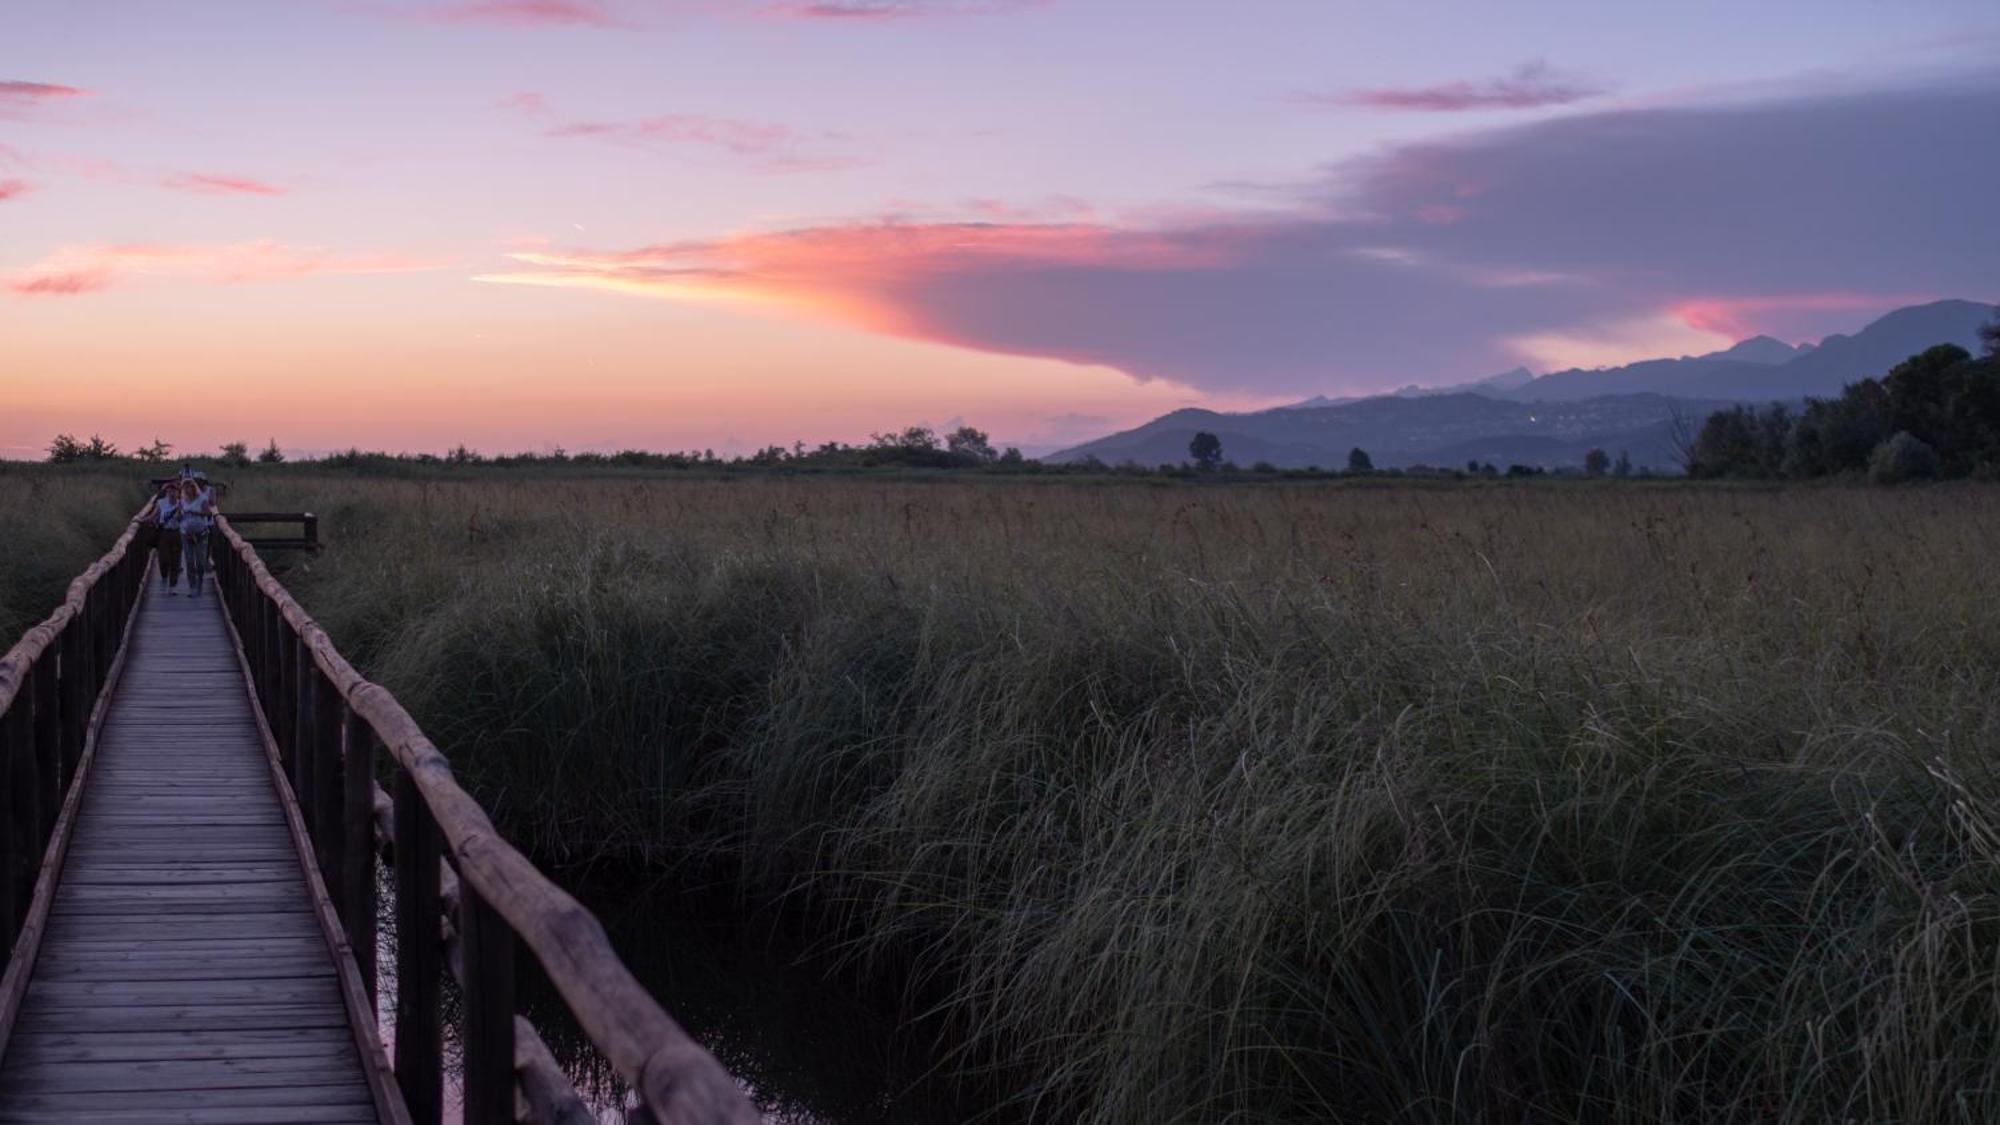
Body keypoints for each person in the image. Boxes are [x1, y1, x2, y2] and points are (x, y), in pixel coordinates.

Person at [178, 475, 218, 599]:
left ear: (193, 487)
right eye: (184, 488)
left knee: (200, 562)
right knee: (189, 561)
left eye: (188, 487)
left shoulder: (202, 499)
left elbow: (208, 512)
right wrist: (179, 516)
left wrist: (194, 512)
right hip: (186, 534)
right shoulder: (182, 500)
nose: (186, 490)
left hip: (201, 534)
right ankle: (192, 587)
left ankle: (200, 583)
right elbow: (180, 514)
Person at [154, 480, 185, 594]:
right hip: (164, 533)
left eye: (174, 491)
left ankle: (172, 586)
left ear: (178, 492)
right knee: (163, 558)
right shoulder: (161, 503)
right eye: (170, 490)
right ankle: (164, 574)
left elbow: (182, 519)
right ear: (166, 492)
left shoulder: (181, 503)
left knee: (175, 560)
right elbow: (155, 516)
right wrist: (146, 520)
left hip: (177, 532)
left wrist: (180, 512)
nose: (172, 493)